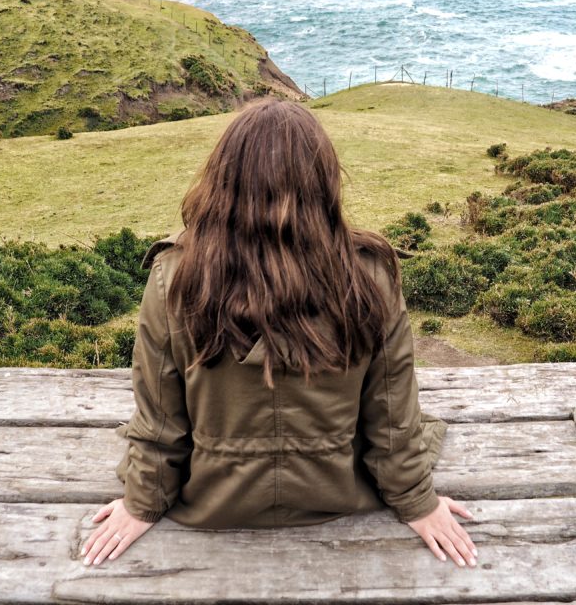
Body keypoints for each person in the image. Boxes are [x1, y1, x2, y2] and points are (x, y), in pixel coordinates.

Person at [80, 97, 478, 569]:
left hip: (214, 499)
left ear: (223, 179)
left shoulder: (175, 275)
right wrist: (417, 502)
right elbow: (391, 414)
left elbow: (161, 419)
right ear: (323, 182)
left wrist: (141, 503)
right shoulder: (369, 274)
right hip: (337, 491)